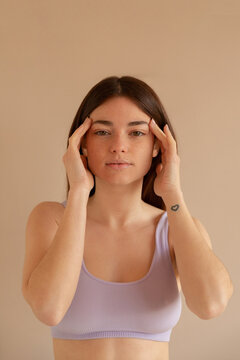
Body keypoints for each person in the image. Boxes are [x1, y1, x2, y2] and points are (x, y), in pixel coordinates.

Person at [21, 75, 234, 360]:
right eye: (102, 132)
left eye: (136, 133)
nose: (119, 146)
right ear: (80, 143)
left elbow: (211, 305)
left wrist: (173, 194)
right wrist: (79, 193)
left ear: (158, 145)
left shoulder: (177, 229)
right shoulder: (52, 219)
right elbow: (48, 309)